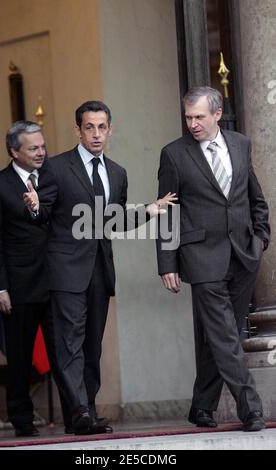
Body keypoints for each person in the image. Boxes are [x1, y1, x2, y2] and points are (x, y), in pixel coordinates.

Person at [24, 100, 175, 435]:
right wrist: (35, 206)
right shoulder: (57, 167)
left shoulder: (117, 173)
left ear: (110, 129)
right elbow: (44, 210)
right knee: (70, 343)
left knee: (92, 345)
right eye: (89, 127)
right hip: (65, 269)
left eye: (101, 127)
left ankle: (87, 410)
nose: (96, 134)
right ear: (78, 130)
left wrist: (149, 209)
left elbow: (113, 221)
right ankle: (78, 411)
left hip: (100, 270)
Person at [156, 86, 270, 432]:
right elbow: (167, 212)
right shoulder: (173, 154)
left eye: (199, 117)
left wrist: (261, 237)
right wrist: (167, 262)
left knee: (222, 335)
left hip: (243, 254)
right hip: (201, 257)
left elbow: (255, 197)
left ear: (217, 114)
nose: (192, 124)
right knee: (224, 335)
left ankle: (202, 405)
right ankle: (250, 407)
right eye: (188, 117)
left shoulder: (240, 144)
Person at [0, 121, 53, 437]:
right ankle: (22, 420)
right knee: (20, 357)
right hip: (18, 287)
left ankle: (79, 413)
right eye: (33, 148)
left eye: (42, 146)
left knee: (64, 352)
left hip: (56, 282)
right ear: (14, 151)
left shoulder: (53, 178)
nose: (41, 152)